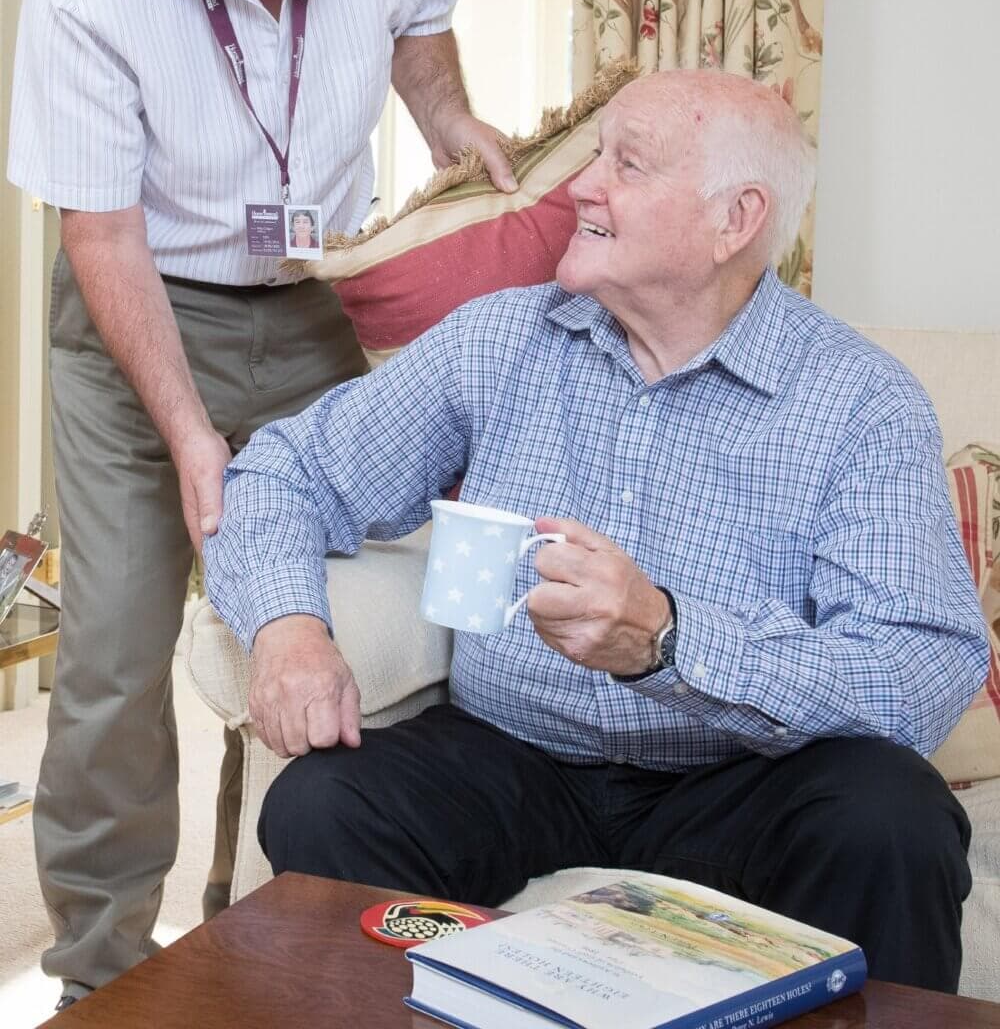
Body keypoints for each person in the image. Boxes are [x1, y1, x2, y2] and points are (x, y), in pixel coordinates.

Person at [204, 70, 989, 994]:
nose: (581, 186)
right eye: (594, 157)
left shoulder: (859, 403)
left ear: (733, 220)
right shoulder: (500, 341)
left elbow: (918, 670)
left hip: (744, 774)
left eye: (628, 164)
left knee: (892, 819)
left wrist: (670, 640)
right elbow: (284, 471)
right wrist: (289, 626)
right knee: (325, 804)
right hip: (514, 754)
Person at [6, 0, 515, 1011]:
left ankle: (310, 930)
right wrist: (185, 434)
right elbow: (102, 238)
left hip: (314, 299)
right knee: (115, 655)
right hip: (140, 316)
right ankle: (102, 970)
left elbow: (420, 45)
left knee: (343, 613)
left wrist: (456, 129)